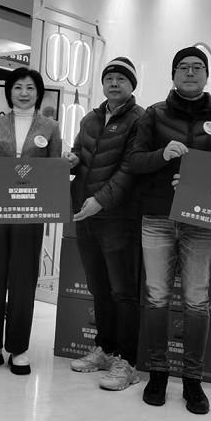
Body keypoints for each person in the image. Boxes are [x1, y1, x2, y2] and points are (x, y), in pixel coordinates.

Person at [128, 45, 211, 415]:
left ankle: (193, 381)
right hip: (158, 219)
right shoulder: (154, 114)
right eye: (183, 67)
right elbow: (134, 161)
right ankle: (158, 373)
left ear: (206, 75)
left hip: (201, 223)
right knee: (157, 297)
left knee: (197, 300)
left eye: (197, 67)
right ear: (173, 75)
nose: (190, 72)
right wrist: (163, 155)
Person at [0, 67, 61, 376]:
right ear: (9, 92)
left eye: (30, 87)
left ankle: (18, 348)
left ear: (38, 92)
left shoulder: (51, 127)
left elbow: (54, 171)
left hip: (30, 213)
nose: (24, 93)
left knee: (23, 279)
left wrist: (66, 166)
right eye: (18, 87)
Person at [65, 57, 144, 391]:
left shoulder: (140, 120)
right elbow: (80, 154)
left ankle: (128, 361)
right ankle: (106, 349)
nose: (114, 83)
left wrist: (101, 200)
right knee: (98, 287)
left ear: (132, 85)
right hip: (87, 216)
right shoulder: (90, 119)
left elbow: (130, 169)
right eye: (109, 78)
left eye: (121, 79)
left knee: (123, 291)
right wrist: (71, 159)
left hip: (118, 218)